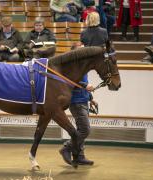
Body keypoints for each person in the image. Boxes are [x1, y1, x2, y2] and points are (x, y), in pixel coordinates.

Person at [59, 12, 107, 166]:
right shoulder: (72, 67)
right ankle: (66, 148)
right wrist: (86, 86)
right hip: (76, 100)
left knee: (81, 128)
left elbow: (84, 81)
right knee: (85, 130)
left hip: (83, 99)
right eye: (80, 49)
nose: (83, 50)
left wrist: (91, 98)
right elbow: (72, 80)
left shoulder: (83, 65)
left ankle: (79, 156)